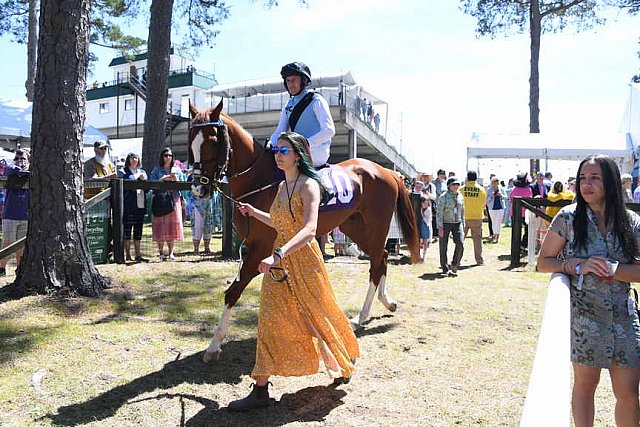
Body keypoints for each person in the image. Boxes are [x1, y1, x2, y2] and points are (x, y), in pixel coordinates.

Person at [228, 131, 359, 411]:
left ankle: (344, 356)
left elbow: (309, 230)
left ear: (298, 155)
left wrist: (278, 254)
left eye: (284, 150)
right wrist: (254, 212)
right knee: (269, 320)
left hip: (303, 261)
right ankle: (260, 390)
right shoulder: (280, 187)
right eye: (277, 149)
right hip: (280, 262)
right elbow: (280, 222)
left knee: (318, 315)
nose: (278, 154)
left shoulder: (309, 185)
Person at [537, 154, 640, 426]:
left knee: (629, 395)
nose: (587, 184)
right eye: (583, 178)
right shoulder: (568, 218)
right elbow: (543, 262)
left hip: (624, 319)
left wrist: (613, 268)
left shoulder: (630, 222)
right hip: (584, 318)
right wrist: (578, 266)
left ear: (611, 183)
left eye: (595, 178)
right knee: (584, 387)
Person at [270, 62, 335, 169]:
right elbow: (280, 131)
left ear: (303, 81)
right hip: (297, 152)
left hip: (316, 153)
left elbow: (329, 130)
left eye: (294, 80)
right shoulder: (288, 104)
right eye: (288, 81)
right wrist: (271, 144)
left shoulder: (316, 101)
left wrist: (306, 144)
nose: (291, 84)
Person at [149, 148, 184, 261]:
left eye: (170, 155)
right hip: (160, 200)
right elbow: (151, 184)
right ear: (161, 157)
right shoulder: (156, 170)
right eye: (165, 155)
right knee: (160, 226)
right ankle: (161, 253)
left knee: (172, 226)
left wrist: (176, 179)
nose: (168, 157)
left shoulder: (177, 169)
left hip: (174, 200)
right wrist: (163, 178)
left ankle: (171, 253)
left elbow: (183, 185)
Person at [0, 149, 30, 277]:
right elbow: (11, 169)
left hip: (26, 215)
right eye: (17, 158)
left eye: (23, 158)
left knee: (21, 246)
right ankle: (1, 268)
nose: (20, 161)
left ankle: (20, 269)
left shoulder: (32, 171)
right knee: (7, 242)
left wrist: (27, 172)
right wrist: (24, 172)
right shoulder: (10, 168)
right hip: (10, 215)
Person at [118, 153, 148, 262]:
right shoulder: (123, 171)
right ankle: (127, 255)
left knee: (138, 231)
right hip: (129, 206)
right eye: (132, 158)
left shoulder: (143, 172)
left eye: (136, 157)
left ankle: (138, 254)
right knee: (127, 231)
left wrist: (144, 181)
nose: (134, 159)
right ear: (128, 160)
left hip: (140, 205)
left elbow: (147, 189)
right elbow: (127, 182)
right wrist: (137, 177)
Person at [436, 176, 465, 277]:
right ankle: (444, 268)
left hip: (458, 223)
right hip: (445, 223)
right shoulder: (443, 196)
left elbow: (462, 211)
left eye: (457, 184)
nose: (456, 186)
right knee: (443, 246)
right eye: (454, 184)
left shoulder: (461, 196)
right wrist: (440, 227)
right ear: (449, 186)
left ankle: (454, 264)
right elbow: (439, 212)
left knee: (460, 242)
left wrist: (463, 224)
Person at [461, 170, 486, 265]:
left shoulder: (461, 189)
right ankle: (479, 260)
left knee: (460, 240)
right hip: (477, 216)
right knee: (477, 241)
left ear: (467, 177)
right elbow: (483, 203)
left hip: (464, 217)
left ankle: (457, 259)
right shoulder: (481, 189)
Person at [511, 172, 533, 250]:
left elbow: (511, 199)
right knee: (527, 230)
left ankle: (515, 246)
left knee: (515, 231)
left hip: (514, 212)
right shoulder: (528, 190)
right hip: (525, 213)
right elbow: (530, 200)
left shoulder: (514, 189)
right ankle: (523, 244)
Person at [485, 176, 507, 243]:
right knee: (494, 222)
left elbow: (506, 197)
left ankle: (497, 236)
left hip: (500, 207)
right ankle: (494, 235)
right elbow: (486, 200)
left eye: (497, 182)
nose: (495, 184)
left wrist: (501, 195)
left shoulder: (502, 189)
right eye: (494, 182)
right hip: (492, 208)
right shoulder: (489, 190)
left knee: (498, 222)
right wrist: (492, 196)